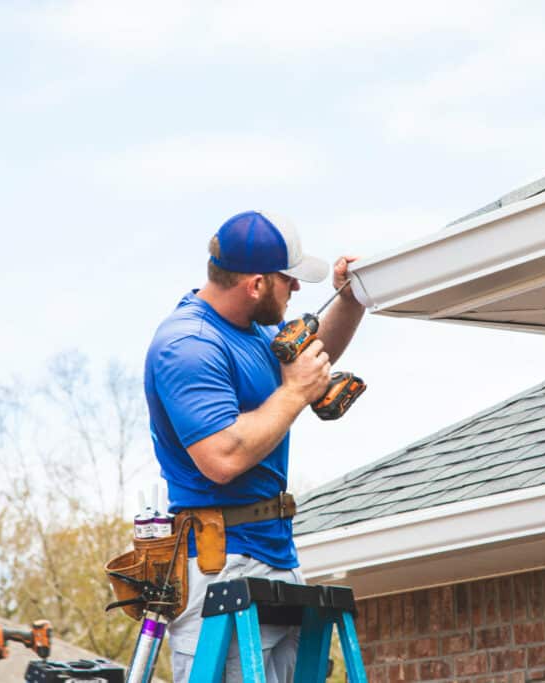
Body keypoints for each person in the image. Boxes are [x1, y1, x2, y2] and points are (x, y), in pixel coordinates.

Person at [143, 210, 365, 682]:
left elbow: (312, 355)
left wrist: (352, 299)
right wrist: (293, 393)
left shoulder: (256, 332)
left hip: (275, 554)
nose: (298, 291)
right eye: (289, 280)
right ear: (257, 284)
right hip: (222, 567)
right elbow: (221, 458)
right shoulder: (189, 344)